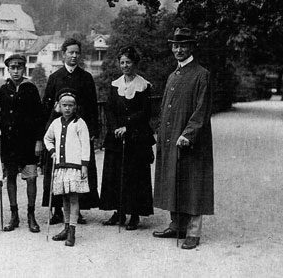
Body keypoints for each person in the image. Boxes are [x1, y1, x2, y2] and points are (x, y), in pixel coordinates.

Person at [153, 28, 214, 250]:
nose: (178, 50)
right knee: (173, 179)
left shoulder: (201, 74)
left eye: (183, 45)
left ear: (191, 47)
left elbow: (202, 109)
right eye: (175, 45)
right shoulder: (173, 75)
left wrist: (188, 134)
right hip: (170, 137)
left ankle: (193, 232)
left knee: (193, 183)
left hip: (192, 139)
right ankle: (176, 224)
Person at [42, 38, 99, 225]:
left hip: (79, 131)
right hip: (60, 131)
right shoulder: (55, 77)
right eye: (70, 52)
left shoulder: (86, 77)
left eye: (77, 53)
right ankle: (58, 210)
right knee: (58, 170)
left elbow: (92, 107)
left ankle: (77, 211)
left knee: (79, 171)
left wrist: (93, 130)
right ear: (63, 54)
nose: (74, 56)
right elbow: (47, 106)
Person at [0, 54, 45, 233]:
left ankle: (31, 215)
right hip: (10, 143)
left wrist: (38, 141)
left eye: (19, 67)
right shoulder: (4, 89)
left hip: (28, 142)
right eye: (12, 68)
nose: (16, 71)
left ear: (24, 69)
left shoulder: (31, 89)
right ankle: (14, 215)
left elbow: (40, 117)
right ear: (8, 69)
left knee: (31, 178)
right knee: (11, 177)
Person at [99, 47, 155, 230]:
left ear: (135, 63)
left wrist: (127, 126)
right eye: (122, 62)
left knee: (135, 175)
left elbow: (145, 112)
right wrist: (115, 127)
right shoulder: (115, 85)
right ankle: (119, 212)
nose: (125, 66)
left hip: (136, 137)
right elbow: (109, 108)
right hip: (116, 137)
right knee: (115, 174)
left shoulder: (144, 86)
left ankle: (135, 214)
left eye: (128, 62)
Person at [44, 89, 90, 247]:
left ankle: (72, 231)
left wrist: (84, 165)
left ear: (75, 106)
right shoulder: (55, 123)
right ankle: (65, 227)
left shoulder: (80, 123)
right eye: (64, 105)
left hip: (75, 167)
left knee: (73, 198)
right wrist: (52, 151)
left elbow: (86, 145)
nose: (67, 108)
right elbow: (47, 138)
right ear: (59, 106)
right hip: (60, 167)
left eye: (71, 105)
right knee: (64, 197)